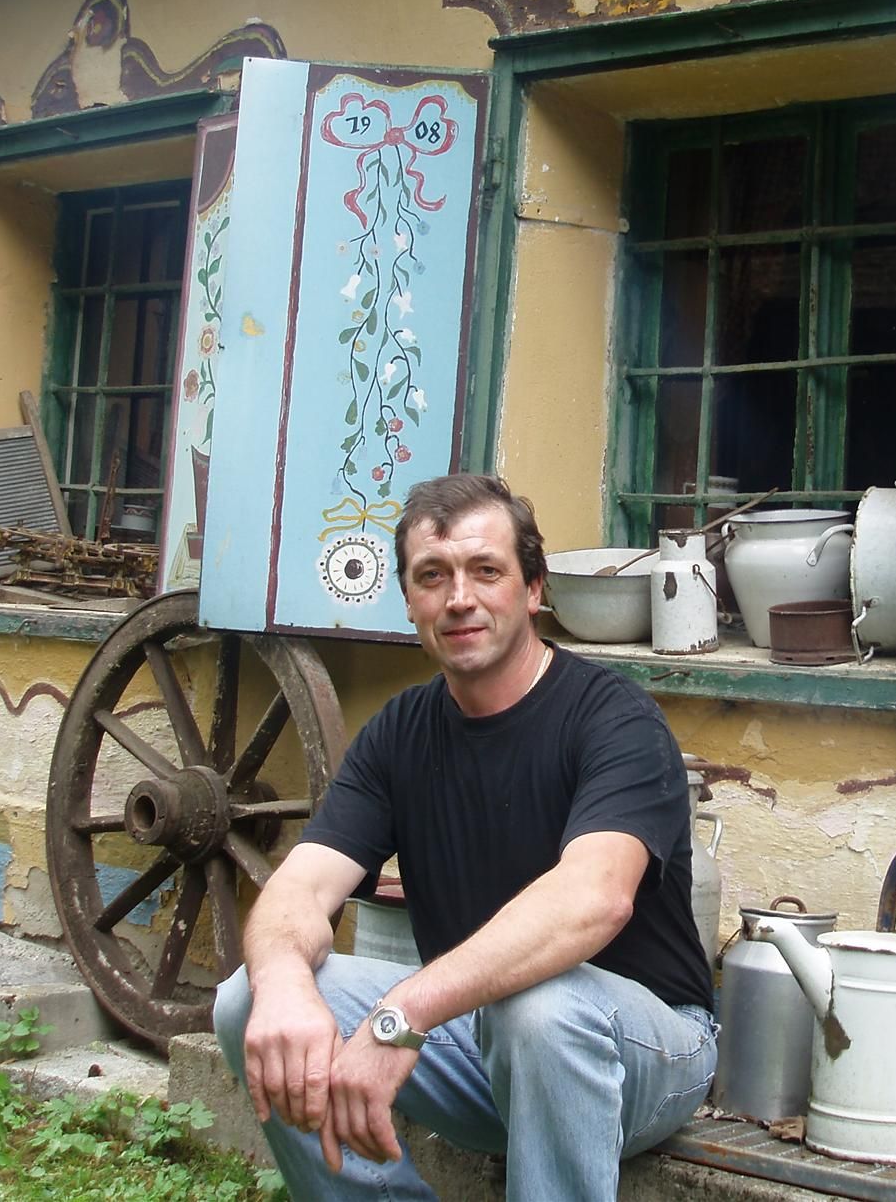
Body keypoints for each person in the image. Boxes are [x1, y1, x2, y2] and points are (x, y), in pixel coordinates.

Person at [213, 473, 716, 1201]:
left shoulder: (616, 720)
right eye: (432, 577)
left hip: (649, 1049)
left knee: (539, 1010)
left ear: (534, 588)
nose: (459, 599)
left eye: (486, 571)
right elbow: (300, 887)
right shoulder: (398, 733)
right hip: (478, 1038)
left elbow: (594, 900)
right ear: (409, 598)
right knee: (247, 999)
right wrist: (287, 984)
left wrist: (402, 1014)